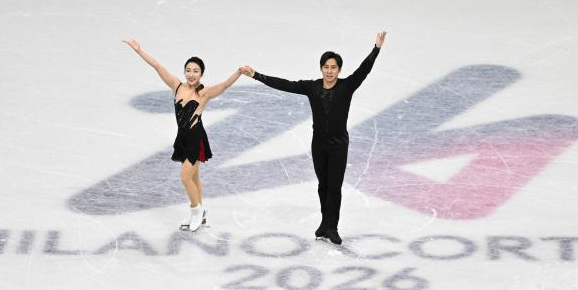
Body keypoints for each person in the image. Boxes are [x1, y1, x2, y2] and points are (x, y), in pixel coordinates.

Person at [242, 31, 386, 245]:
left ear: (339, 69)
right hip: (318, 145)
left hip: (338, 146)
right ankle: (324, 223)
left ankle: (332, 227)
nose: (329, 71)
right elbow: (285, 84)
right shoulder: (312, 87)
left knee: (334, 187)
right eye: (326, 67)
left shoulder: (346, 86)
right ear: (321, 68)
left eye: (333, 67)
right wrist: (256, 75)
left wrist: (376, 48)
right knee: (322, 186)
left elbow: (364, 70)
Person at [124, 39, 243, 231]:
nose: (191, 74)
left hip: (196, 139)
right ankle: (200, 214)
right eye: (188, 70)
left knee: (185, 178)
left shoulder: (204, 93)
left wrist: (238, 72)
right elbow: (157, 66)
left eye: (196, 71)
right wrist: (139, 51)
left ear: (201, 74)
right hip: (182, 139)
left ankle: (196, 211)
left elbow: (224, 85)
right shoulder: (177, 86)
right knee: (194, 178)